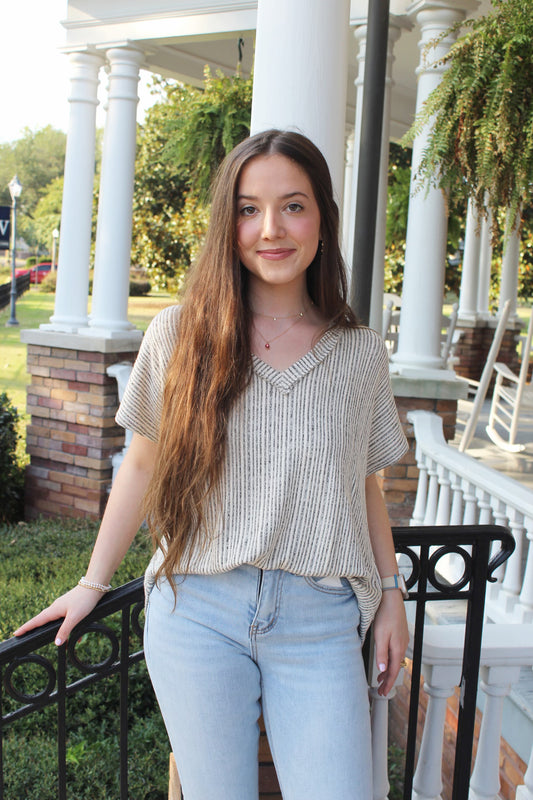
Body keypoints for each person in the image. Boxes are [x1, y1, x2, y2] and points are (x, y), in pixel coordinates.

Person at [16, 129, 409, 799]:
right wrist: (92, 581)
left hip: (318, 620)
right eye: (249, 209)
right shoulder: (177, 334)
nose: (270, 229)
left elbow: (363, 483)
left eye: (293, 205)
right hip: (196, 610)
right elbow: (140, 463)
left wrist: (391, 595)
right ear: (228, 224)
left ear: (321, 219)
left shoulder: (359, 353)